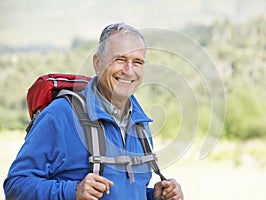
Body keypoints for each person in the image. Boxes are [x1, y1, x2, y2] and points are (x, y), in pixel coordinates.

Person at [4, 23, 184, 200]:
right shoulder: (60, 115)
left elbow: (124, 193)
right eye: (120, 60)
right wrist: (72, 192)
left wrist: (155, 197)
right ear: (97, 64)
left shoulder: (140, 123)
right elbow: (15, 186)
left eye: (137, 62)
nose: (129, 71)